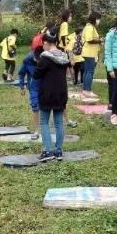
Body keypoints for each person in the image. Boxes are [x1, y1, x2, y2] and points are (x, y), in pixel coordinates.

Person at [33, 30, 70, 161]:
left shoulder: (45, 57)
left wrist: (36, 62)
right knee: (59, 122)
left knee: (44, 121)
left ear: (47, 43)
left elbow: (36, 74)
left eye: (43, 43)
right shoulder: (64, 56)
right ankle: (58, 151)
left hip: (47, 94)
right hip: (61, 93)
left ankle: (48, 151)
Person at [18, 47, 41, 141]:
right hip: (33, 87)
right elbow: (21, 73)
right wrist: (22, 86)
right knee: (35, 107)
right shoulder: (27, 60)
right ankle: (36, 131)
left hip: (46, 87)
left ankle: (45, 128)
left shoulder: (47, 58)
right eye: (37, 61)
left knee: (47, 107)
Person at [81, 12, 102, 98]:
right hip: (89, 52)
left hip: (89, 52)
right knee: (90, 71)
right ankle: (87, 90)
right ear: (94, 19)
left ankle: (85, 89)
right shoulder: (89, 28)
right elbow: (89, 40)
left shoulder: (90, 27)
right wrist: (99, 41)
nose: (99, 21)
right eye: (98, 19)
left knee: (87, 71)